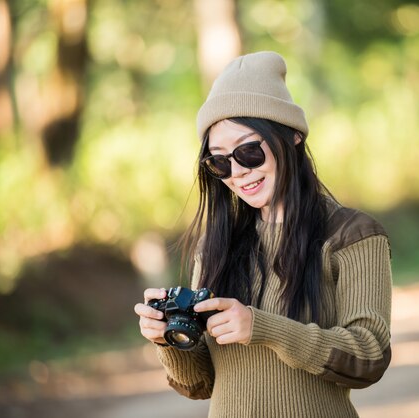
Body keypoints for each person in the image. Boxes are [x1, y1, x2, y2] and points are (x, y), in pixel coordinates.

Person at [134, 51, 392, 418]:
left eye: (249, 152)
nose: (237, 172)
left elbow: (369, 356)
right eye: (219, 161)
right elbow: (201, 385)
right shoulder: (215, 247)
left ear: (293, 137)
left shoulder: (352, 235)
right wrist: (168, 340)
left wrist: (263, 327)